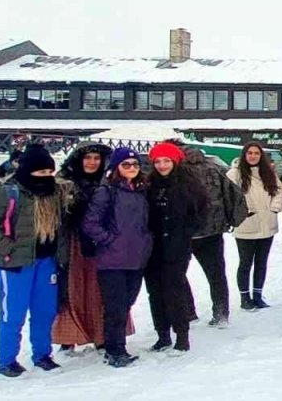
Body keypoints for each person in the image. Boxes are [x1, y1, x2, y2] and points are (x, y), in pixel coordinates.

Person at [0, 144, 71, 377]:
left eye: (49, 173)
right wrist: (7, 248)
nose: (46, 177)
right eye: (41, 173)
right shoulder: (8, 192)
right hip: (14, 264)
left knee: (44, 311)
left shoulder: (56, 193)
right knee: (13, 313)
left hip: (46, 261)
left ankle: (42, 355)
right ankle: (7, 360)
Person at [53, 142, 132, 353]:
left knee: (101, 290)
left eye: (96, 159)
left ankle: (102, 334)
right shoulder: (64, 183)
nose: (92, 162)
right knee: (72, 288)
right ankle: (69, 336)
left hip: (102, 243)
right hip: (73, 243)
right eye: (88, 158)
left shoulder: (111, 182)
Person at [83, 147, 152, 367]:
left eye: (135, 165)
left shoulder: (141, 189)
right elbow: (90, 223)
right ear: (116, 167)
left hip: (136, 257)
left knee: (127, 303)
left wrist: (146, 241)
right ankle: (114, 349)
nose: (131, 169)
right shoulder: (107, 191)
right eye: (126, 165)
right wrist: (110, 240)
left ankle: (115, 346)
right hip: (112, 259)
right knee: (115, 307)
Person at [180, 144, 246, 328]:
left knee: (177, 274)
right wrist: (230, 220)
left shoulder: (176, 172)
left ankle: (188, 311)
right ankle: (221, 313)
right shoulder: (213, 167)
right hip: (213, 231)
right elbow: (233, 194)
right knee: (216, 275)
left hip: (185, 233)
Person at [144, 142, 200, 354]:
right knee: (155, 292)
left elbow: (200, 212)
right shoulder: (149, 184)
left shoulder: (188, 184)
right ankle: (162, 334)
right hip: (152, 247)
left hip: (177, 247)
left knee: (174, 290)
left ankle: (182, 334)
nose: (162, 165)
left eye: (166, 161)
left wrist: (185, 233)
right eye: (158, 161)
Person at [227, 142, 282, 312]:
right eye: (249, 153)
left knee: (261, 262)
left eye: (256, 153)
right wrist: (244, 210)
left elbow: (279, 191)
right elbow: (229, 195)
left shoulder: (268, 174)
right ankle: (245, 297)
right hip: (246, 225)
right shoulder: (235, 174)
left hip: (267, 223)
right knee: (245, 263)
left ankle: (258, 295)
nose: (253, 156)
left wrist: (274, 207)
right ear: (244, 155)